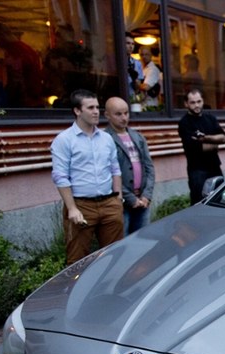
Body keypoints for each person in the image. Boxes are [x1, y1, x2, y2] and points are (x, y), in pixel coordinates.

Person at [51, 89, 123, 265]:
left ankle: (110, 289)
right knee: (77, 260)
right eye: (90, 107)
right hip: (81, 206)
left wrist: (118, 197)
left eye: (97, 107)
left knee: (115, 255)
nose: (96, 111)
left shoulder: (106, 138)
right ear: (77, 111)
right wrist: (72, 208)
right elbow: (60, 177)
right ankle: (75, 292)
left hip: (109, 204)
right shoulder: (64, 140)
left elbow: (115, 168)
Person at [104, 97, 155, 234]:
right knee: (122, 242)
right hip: (121, 202)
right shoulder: (105, 139)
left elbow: (149, 167)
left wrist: (146, 195)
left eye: (126, 113)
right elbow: (108, 173)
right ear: (107, 115)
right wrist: (130, 198)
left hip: (143, 200)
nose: (124, 118)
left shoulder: (137, 137)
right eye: (118, 114)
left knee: (143, 239)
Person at [177, 89, 225, 204]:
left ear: (203, 101)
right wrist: (214, 143)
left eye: (199, 101)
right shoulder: (184, 123)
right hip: (197, 170)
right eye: (193, 103)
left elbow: (223, 138)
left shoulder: (210, 118)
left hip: (214, 167)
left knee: (220, 201)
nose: (197, 105)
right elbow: (195, 148)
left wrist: (204, 139)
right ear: (186, 104)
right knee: (200, 203)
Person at [0, 22, 43, 107]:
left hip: (26, 103)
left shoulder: (16, 51)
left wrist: (6, 99)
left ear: (1, 36)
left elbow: (16, 80)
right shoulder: (23, 48)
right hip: (32, 100)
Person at [124, 33, 143, 100]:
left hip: (131, 99)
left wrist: (134, 78)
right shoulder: (115, 60)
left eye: (133, 44)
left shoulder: (137, 63)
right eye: (128, 43)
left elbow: (138, 88)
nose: (131, 46)